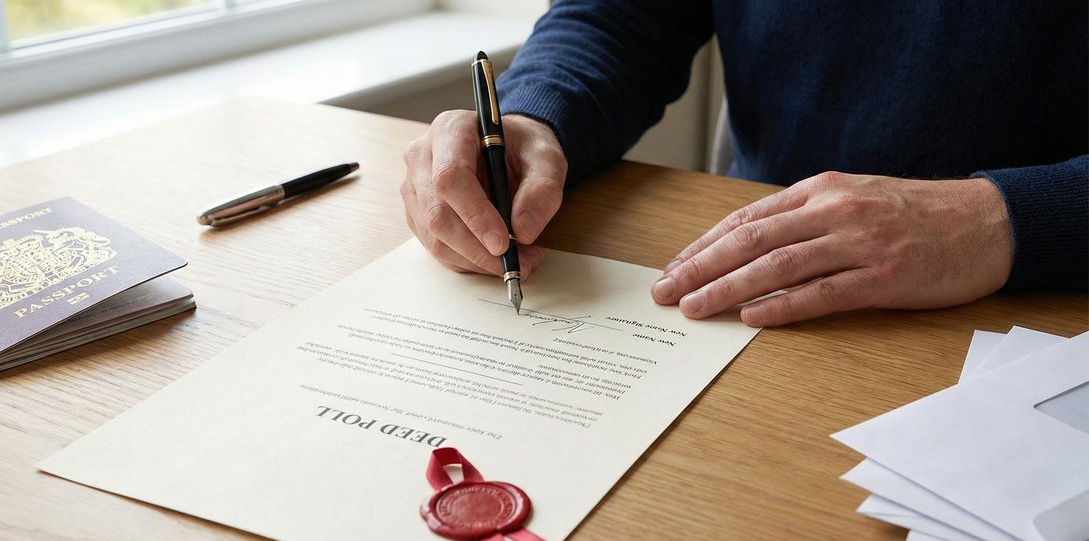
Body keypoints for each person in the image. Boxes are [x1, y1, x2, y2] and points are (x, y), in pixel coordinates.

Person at [399, 1, 1087, 327]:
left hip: (1040, 310)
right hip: (757, 288)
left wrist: (1005, 218)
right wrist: (534, 117)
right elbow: (618, 18)